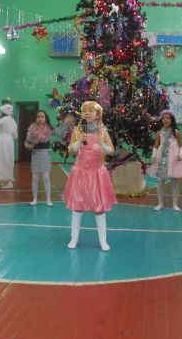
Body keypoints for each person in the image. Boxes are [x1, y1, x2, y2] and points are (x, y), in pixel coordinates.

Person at [63, 101, 116, 251]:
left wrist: (102, 144)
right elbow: (71, 151)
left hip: (97, 173)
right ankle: (74, 239)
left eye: (91, 110)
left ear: (98, 114)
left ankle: (103, 240)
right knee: (77, 207)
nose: (87, 113)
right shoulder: (78, 130)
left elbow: (111, 151)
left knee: (99, 208)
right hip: (80, 172)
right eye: (84, 111)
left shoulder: (102, 130)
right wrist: (79, 142)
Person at [147, 109, 182, 211]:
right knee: (160, 181)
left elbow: (181, 146)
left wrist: (180, 155)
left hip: (173, 159)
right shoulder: (159, 132)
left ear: (172, 119)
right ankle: (160, 203)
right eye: (163, 118)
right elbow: (156, 146)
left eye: (168, 118)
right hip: (162, 158)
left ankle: (175, 204)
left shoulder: (176, 132)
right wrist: (153, 156)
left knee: (174, 181)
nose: (165, 120)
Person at [25, 110, 54, 206]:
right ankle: (35, 199)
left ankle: (48, 200)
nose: (40, 118)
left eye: (42, 117)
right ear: (35, 118)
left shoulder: (49, 128)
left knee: (46, 177)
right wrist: (28, 146)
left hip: (45, 154)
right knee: (35, 178)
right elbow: (26, 142)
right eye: (38, 117)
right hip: (35, 154)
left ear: (45, 118)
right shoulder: (31, 128)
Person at [0, 104, 18, 188]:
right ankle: (7, 180)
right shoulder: (13, 120)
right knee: (8, 160)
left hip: (3, 140)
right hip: (9, 140)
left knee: (3, 160)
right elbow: (15, 135)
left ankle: (9, 182)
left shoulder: (5, 119)